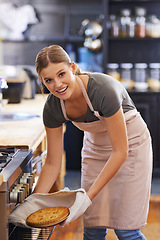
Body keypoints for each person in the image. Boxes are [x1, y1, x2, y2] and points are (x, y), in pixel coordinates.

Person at [34, 44, 152, 240]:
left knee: (126, 230)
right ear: (42, 81)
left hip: (130, 147)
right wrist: (33, 203)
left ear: (72, 67)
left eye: (61, 74)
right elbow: (53, 163)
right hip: (96, 149)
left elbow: (120, 151)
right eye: (49, 80)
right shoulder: (52, 108)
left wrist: (86, 198)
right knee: (93, 228)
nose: (57, 85)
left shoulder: (102, 89)